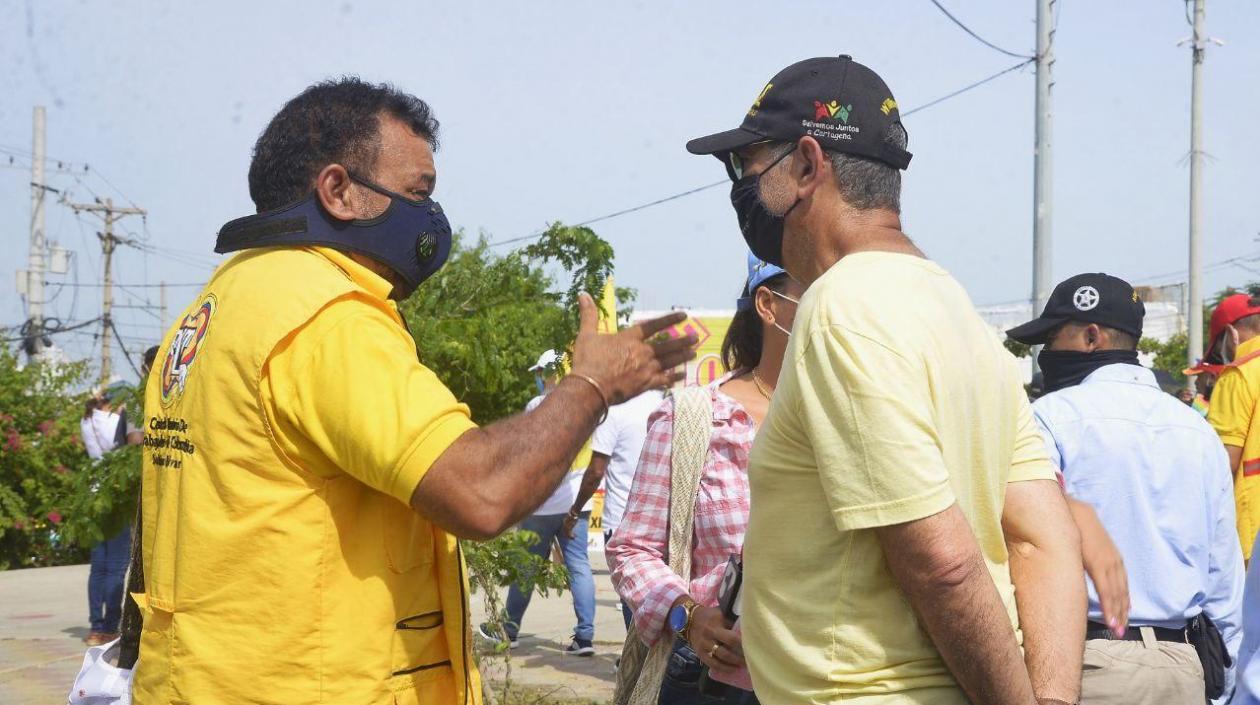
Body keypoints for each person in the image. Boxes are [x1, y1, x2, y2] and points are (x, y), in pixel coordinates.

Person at [133, 78, 694, 705]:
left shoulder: (217, 306)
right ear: (339, 190)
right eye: (417, 194)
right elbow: (482, 492)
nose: (431, 219)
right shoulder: (326, 318)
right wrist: (591, 385)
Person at [685, 55, 1085, 705]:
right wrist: (1051, 697)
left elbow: (942, 561)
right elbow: (1044, 537)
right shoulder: (962, 319)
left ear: (809, 166)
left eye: (748, 165)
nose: (742, 187)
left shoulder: (842, 307)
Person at [1008, 273, 1244, 704]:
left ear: (1091, 336)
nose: (1047, 355)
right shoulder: (1197, 430)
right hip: (1184, 667)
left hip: (1089, 664)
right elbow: (1224, 577)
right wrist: (1220, 685)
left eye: (1052, 339)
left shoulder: (1050, 418)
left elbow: (1029, 544)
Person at [608, 253, 804, 705]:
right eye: (814, 294)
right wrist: (689, 618)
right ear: (768, 304)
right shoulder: (696, 417)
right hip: (717, 678)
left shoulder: (844, 417)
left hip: (824, 674)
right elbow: (631, 549)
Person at [477, 349, 598, 656]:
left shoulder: (537, 405)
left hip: (542, 505)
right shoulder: (586, 407)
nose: (539, 378)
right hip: (576, 503)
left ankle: (509, 629)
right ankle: (585, 638)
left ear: (550, 373)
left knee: (525, 568)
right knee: (579, 567)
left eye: (541, 372)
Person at [565, 387, 666, 628]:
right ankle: (655, 662)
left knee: (633, 599)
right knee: (662, 596)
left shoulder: (615, 412)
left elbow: (596, 472)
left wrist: (574, 511)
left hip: (624, 523)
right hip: (663, 519)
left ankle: (638, 662)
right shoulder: (664, 403)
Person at [1205, 293, 1260, 560]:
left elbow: (1222, 460)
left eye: (1218, 348)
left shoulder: (1240, 373)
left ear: (1231, 334)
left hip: (1254, 528)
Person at [78, 392, 131, 647]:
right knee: (117, 565)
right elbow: (123, 444)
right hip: (115, 496)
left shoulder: (86, 421)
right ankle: (110, 627)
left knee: (98, 567)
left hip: (93, 496)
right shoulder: (113, 420)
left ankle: (95, 629)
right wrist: (122, 415)